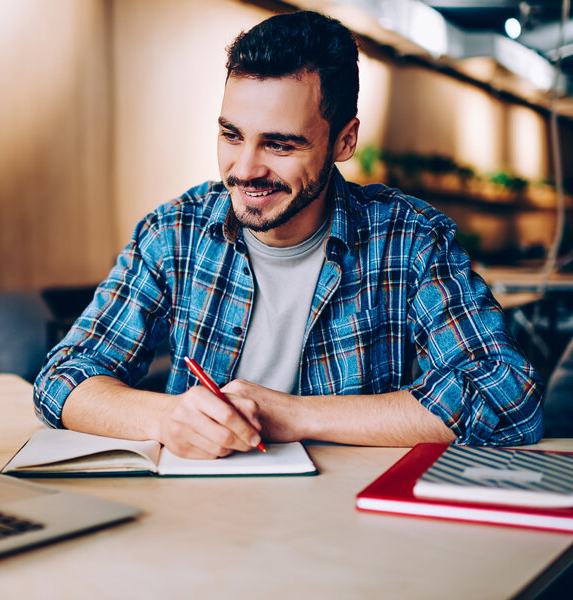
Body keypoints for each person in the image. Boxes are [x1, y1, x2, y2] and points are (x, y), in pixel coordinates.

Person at [34, 10, 544, 458]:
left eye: (279, 145)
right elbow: (64, 376)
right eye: (231, 135)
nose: (245, 170)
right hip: (197, 525)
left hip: (354, 531)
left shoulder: (410, 240)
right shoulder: (174, 233)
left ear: (344, 140)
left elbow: (504, 397)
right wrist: (167, 418)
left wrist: (295, 415)